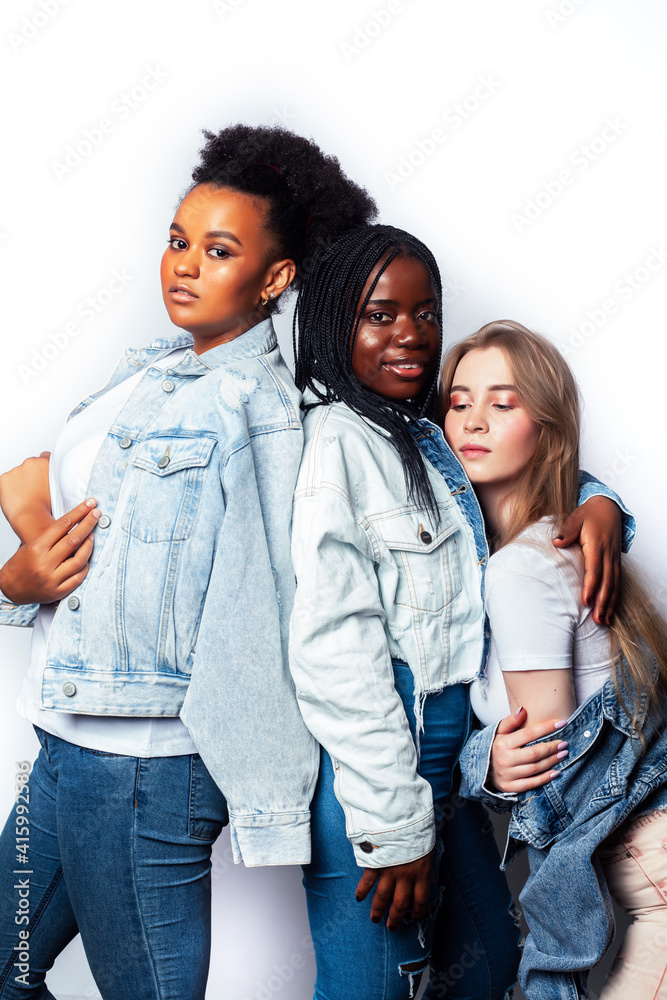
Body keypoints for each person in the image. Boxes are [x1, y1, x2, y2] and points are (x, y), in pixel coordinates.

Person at [0, 124, 377, 1000]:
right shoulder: (150, 370)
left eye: (218, 250)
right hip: (67, 741)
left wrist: (593, 501)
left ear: (275, 278)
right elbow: (35, 481)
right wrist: (16, 575)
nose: (184, 266)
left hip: (145, 762)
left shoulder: (264, 409)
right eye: (178, 241)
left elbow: (265, 596)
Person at [288, 226, 633, 1000]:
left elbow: (519, 477)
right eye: (379, 315)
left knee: (488, 967)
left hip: (453, 776)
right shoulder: (338, 443)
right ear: (333, 321)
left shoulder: (424, 435)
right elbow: (335, 649)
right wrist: (393, 827)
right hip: (385, 775)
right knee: (376, 988)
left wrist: (600, 501)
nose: (409, 335)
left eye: (426, 313)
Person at [443, 321, 667, 1000]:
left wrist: (473, 765)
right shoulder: (541, 545)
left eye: (502, 404)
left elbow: (549, 767)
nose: (473, 421)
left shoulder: (522, 567)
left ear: (546, 429)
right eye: (458, 402)